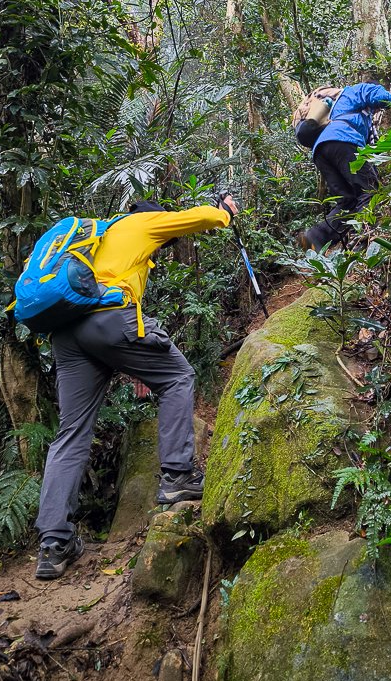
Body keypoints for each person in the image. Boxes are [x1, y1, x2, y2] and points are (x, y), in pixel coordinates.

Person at [34, 195, 238, 580]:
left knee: (71, 432)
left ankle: (53, 544)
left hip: (67, 334)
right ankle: (178, 477)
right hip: (109, 319)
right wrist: (224, 211)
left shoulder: (97, 237)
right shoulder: (141, 223)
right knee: (177, 377)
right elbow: (198, 218)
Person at [298, 82, 391, 252]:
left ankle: (315, 237)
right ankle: (366, 238)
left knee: (347, 200)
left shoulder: (338, 105)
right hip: (344, 140)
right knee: (369, 191)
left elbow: (370, 152)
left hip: (321, 150)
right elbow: (381, 96)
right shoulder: (357, 90)